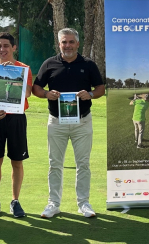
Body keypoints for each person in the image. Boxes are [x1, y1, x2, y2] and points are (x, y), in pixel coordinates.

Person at [32, 28, 105, 218]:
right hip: (56, 121)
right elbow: (36, 87)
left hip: (82, 121)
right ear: (59, 44)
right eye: (64, 42)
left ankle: (84, 203)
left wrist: (89, 94)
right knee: (55, 164)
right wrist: (47, 94)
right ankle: (53, 204)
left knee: (83, 164)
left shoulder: (88, 64)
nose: (68, 46)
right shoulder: (50, 63)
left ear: (78, 44)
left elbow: (100, 88)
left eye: (71, 42)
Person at [0, 32, 32, 219]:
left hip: (16, 118)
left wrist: (13, 74)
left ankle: (15, 201)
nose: (2, 49)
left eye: (6, 46)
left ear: (13, 48)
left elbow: (27, 94)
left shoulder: (24, 69)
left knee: (16, 161)